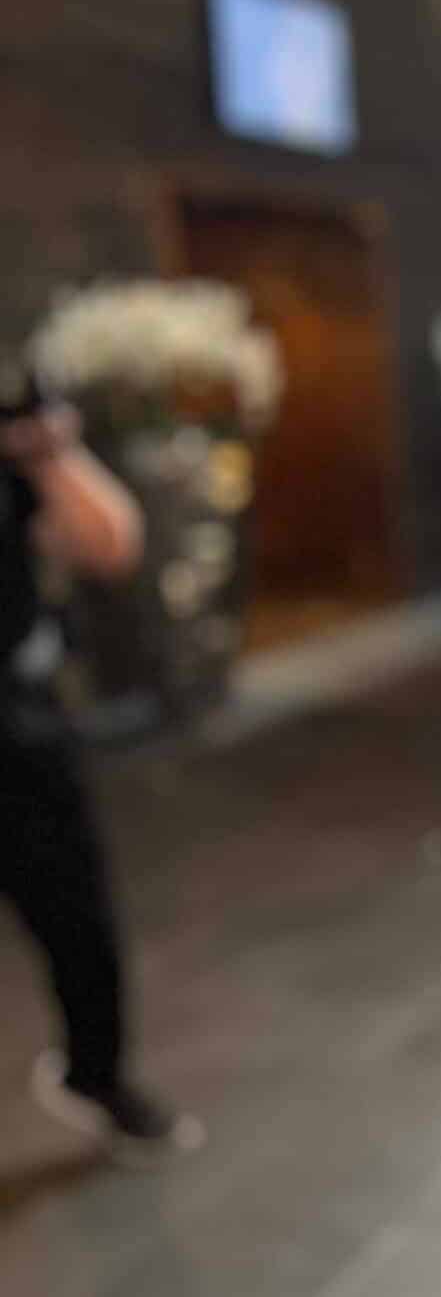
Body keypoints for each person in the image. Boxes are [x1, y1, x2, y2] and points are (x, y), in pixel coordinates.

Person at [1, 389, 202, 1156]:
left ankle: (98, 1073)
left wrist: (48, 451)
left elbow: (109, 543)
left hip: (17, 734)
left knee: (77, 920)